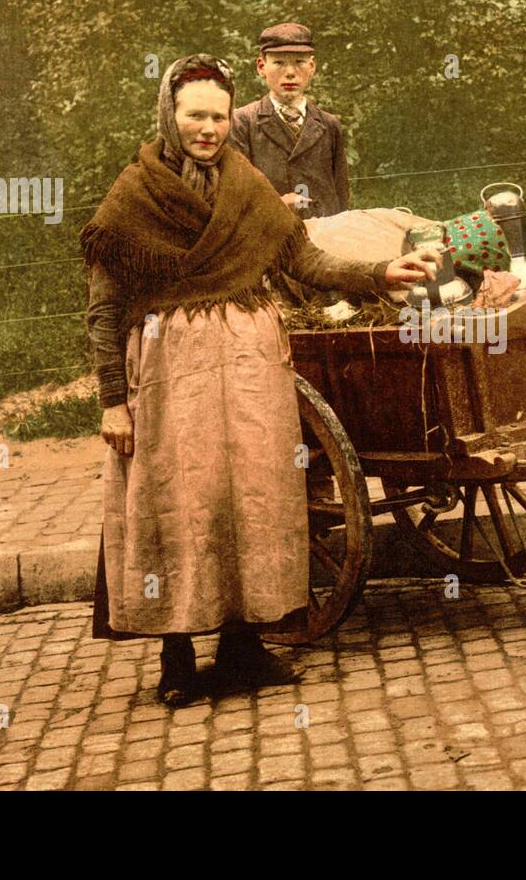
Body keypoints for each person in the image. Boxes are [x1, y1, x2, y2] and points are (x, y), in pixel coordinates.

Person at [82, 53, 434, 706]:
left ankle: (244, 646)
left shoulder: (244, 184)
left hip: (249, 368)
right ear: (170, 114)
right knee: (180, 504)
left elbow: (307, 258)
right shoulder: (134, 195)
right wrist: (112, 401)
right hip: (168, 376)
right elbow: (104, 309)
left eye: (218, 115)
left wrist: (381, 273)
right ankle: (178, 656)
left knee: (253, 497)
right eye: (195, 115)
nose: (208, 128)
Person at [230, 22, 351, 219]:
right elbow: (237, 193)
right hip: (270, 235)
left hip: (325, 235)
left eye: (299, 62)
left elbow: (342, 195)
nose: (290, 73)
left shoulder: (329, 124)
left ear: (311, 67)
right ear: (261, 67)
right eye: (279, 63)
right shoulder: (242, 122)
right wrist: (277, 206)